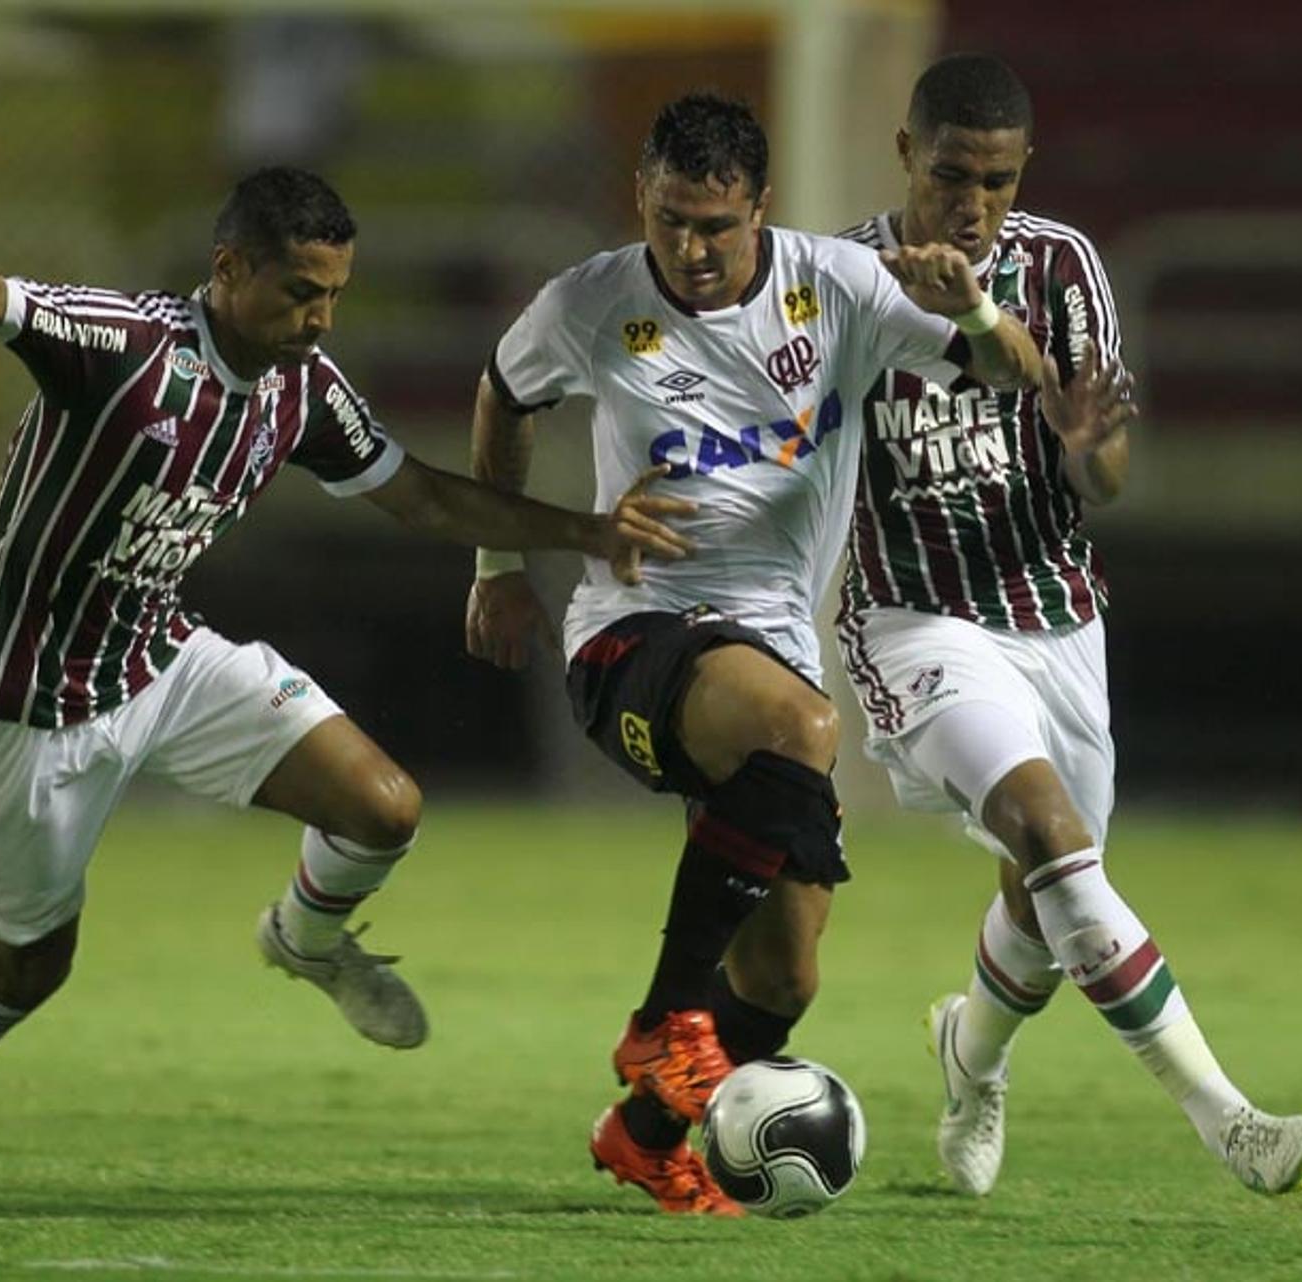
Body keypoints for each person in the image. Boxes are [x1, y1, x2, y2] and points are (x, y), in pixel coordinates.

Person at [0, 166, 692, 1213]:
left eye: (336, 294)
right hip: (19, 706)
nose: (320, 319)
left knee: (382, 805)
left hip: (159, 661)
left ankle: (305, 939)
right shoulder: (125, 346)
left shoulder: (303, 387)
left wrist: (584, 534)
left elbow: (422, 498)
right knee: (32, 962)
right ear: (228, 269)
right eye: (301, 291)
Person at [464, 92, 1043, 1215]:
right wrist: (497, 564)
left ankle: (642, 1134)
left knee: (784, 972)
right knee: (801, 729)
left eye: (716, 226)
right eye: (671, 219)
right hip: (633, 637)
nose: (691, 249)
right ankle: (664, 1022)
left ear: (760, 210)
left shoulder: (836, 287)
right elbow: (503, 393)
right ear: (643, 197)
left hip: (773, 643)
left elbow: (1014, 373)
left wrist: (972, 309)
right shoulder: (590, 301)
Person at [835, 52, 1302, 1197]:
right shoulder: (845, 278)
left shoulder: (1064, 267)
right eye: (953, 173)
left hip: (1055, 617)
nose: (973, 202)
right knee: (1055, 839)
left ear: (1025, 173)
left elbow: (1106, 471)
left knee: (1048, 890)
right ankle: (1231, 1122)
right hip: (913, 619)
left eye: (999, 181)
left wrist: (1081, 447)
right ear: (908, 152)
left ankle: (971, 1055)